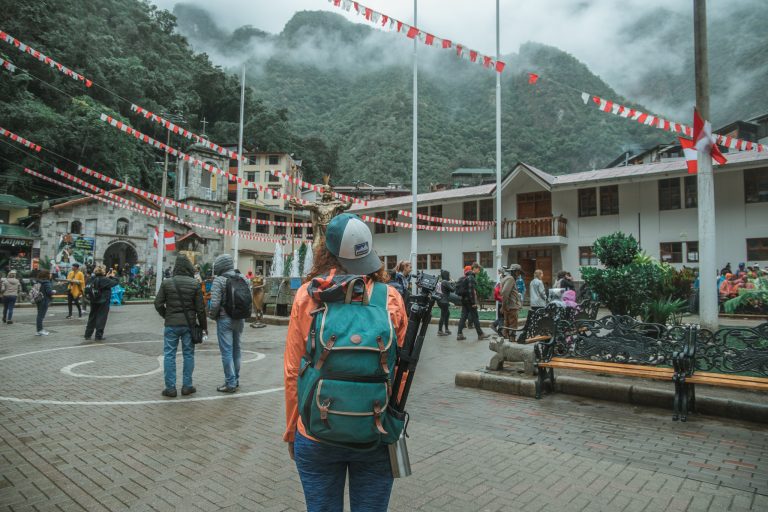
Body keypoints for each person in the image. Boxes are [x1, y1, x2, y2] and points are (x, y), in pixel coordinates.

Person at [283, 213, 407, 512]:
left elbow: (292, 372)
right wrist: (393, 424)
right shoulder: (390, 298)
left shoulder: (307, 296)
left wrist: (291, 430)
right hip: (374, 429)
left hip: (316, 432)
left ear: (326, 251)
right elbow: (400, 374)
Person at [154, 254, 208, 398]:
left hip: (171, 325)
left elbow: (158, 303)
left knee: (169, 355)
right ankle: (187, 386)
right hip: (189, 325)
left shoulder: (167, 283)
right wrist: (203, 327)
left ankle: (170, 388)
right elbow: (201, 309)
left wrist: (167, 315)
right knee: (188, 355)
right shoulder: (195, 284)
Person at [209, 254, 250, 393]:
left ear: (220, 266)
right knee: (237, 349)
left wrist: (212, 316)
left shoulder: (219, 280)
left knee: (227, 351)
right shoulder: (243, 278)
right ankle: (236, 380)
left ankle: (230, 383)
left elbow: (214, 304)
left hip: (224, 319)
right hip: (240, 319)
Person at [83, 266, 119, 341]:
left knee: (92, 317)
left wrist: (107, 277)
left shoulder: (91, 279)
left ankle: (87, 334)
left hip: (93, 300)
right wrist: (112, 276)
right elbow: (116, 282)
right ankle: (98, 336)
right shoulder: (105, 280)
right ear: (103, 271)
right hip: (103, 301)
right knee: (101, 317)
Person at [457, 262, 489, 341]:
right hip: (469, 301)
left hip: (464, 300)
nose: (479, 271)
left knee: (463, 317)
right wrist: (473, 303)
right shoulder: (471, 277)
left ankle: (459, 334)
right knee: (475, 317)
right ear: (474, 268)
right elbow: (470, 291)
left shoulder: (466, 276)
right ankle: (480, 334)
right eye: (479, 269)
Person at [500, 265, 523, 338]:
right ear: (516, 272)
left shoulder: (506, 278)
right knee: (513, 325)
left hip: (509, 306)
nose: (519, 275)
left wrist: (504, 306)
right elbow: (504, 292)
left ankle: (506, 340)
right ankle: (512, 339)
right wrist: (504, 306)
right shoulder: (511, 279)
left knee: (507, 324)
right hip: (512, 307)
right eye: (519, 273)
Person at [34, 270, 55, 336]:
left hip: (38, 300)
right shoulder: (47, 282)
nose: (50, 275)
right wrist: (54, 291)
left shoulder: (38, 281)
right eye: (49, 274)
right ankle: (40, 330)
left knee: (39, 315)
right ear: (46, 275)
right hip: (44, 300)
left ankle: (39, 330)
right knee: (41, 316)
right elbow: (49, 292)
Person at [436, 269, 454, 336]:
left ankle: (446, 329)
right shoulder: (445, 282)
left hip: (439, 300)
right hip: (444, 301)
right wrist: (453, 283)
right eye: (449, 275)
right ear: (446, 275)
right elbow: (452, 290)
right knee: (443, 315)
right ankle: (440, 330)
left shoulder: (440, 282)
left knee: (447, 314)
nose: (449, 276)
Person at [490, 268, 504, 335]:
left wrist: (497, 299)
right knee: (502, 318)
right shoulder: (503, 285)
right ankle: (500, 331)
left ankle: (493, 325)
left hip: (499, 302)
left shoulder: (498, 284)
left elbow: (495, 293)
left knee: (500, 317)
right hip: (502, 302)